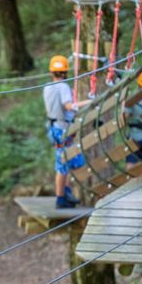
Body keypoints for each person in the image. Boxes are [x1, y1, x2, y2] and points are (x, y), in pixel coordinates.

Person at [43, 55, 91, 209]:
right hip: (62, 129)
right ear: (65, 71)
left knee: (68, 161)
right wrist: (88, 102)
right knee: (62, 164)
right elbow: (68, 106)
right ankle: (60, 198)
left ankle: (66, 192)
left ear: (52, 72)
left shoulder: (47, 87)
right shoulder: (63, 86)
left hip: (56, 127)